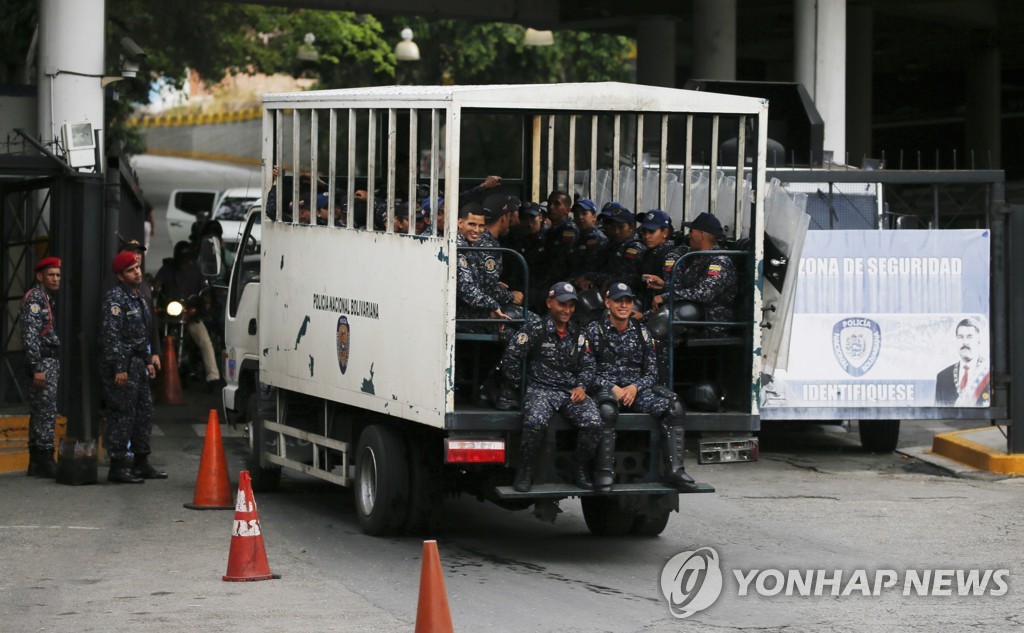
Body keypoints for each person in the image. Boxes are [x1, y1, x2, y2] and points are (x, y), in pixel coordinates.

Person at [584, 283, 697, 492]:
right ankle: (604, 472)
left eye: (627, 301)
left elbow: (652, 373)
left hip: (635, 392)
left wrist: (635, 387)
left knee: (673, 408)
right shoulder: (593, 331)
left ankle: (675, 471)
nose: (623, 305)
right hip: (606, 391)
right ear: (608, 303)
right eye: (618, 301)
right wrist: (612, 387)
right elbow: (586, 372)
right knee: (606, 411)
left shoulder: (642, 333)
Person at [499, 282, 602, 492]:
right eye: (562, 304)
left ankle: (578, 468)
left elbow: (589, 365)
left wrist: (582, 386)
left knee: (594, 422)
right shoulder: (536, 328)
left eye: (571, 305)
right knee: (535, 421)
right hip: (541, 389)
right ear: (549, 303)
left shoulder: (578, 333)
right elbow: (511, 357)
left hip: (569, 391)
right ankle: (525, 470)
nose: (567, 310)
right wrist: (523, 386)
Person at [100, 252, 167, 483]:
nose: (137, 272)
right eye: (130, 270)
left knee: (144, 413)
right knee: (122, 414)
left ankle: (141, 462)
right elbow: (112, 337)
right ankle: (118, 465)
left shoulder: (138, 297)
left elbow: (142, 335)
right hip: (124, 366)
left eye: (137, 267)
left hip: (138, 363)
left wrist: (148, 361)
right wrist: (120, 367)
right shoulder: (115, 299)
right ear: (120, 276)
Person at [652, 211, 738, 336]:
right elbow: (687, 290)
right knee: (648, 318)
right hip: (691, 312)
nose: (689, 235)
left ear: (701, 235)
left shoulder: (719, 261)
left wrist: (666, 296)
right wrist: (664, 286)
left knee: (665, 323)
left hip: (712, 319)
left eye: (692, 231)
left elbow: (703, 293)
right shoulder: (697, 257)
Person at [153, 242, 222, 388]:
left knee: (205, 341)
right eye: (182, 260)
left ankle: (213, 376)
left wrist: (204, 302)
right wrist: (154, 292)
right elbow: (156, 284)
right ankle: (149, 370)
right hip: (168, 315)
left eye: (187, 260)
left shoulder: (197, 272)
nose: (185, 263)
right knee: (151, 334)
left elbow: (205, 290)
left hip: (189, 315)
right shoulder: (167, 269)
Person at [20, 256, 62, 478]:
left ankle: (36, 461)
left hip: (47, 361)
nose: (56, 279)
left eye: (58, 275)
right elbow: (30, 336)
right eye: (51, 275)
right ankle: (44, 459)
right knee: (45, 411)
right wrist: (37, 366)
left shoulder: (46, 297)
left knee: (41, 411)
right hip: (43, 362)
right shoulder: (36, 298)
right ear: (40, 276)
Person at [455, 202, 516, 329]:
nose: (477, 230)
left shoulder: (469, 246)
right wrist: (493, 305)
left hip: (473, 311)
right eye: (472, 224)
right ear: (460, 223)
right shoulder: (458, 248)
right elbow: (466, 289)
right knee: (528, 324)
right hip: (462, 316)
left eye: (481, 226)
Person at [578, 202, 646, 292]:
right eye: (613, 227)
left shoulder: (634, 248)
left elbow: (628, 277)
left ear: (631, 227)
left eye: (621, 227)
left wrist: (595, 278)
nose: (617, 231)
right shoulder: (613, 243)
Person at [121, 239, 162, 373]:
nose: (137, 256)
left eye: (139, 253)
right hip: (124, 353)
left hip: (144, 349)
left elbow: (152, 320)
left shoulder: (144, 282)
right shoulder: (115, 283)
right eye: (133, 252)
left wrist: (155, 351)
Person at [935, 318, 991, 406]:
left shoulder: (989, 373)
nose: (965, 342)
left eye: (970, 337)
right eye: (960, 337)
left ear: (978, 340)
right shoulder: (943, 377)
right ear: (956, 340)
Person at [569, 198, 608, 282]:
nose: (580, 217)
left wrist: (591, 278)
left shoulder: (599, 239)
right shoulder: (577, 237)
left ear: (594, 217)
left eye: (584, 213)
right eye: (576, 214)